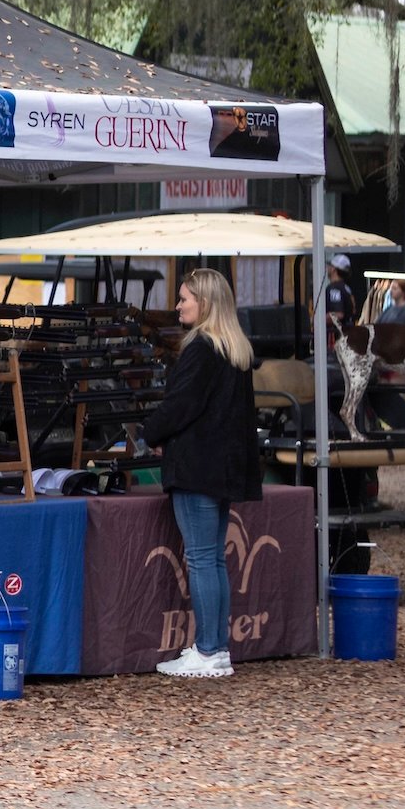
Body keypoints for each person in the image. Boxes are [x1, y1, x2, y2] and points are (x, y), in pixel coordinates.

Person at [141, 266, 261, 681]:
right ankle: (217, 648)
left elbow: (180, 405)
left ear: (204, 304)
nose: (177, 306)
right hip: (224, 468)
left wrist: (150, 433)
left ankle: (209, 650)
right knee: (213, 560)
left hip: (196, 467)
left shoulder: (202, 349)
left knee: (202, 559)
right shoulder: (236, 350)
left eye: (184, 299)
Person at [322, 255, 357, 340]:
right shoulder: (346, 288)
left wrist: (318, 321)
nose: (327, 268)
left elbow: (338, 314)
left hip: (336, 338)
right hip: (348, 335)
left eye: (329, 265)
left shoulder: (334, 288)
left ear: (334, 269)